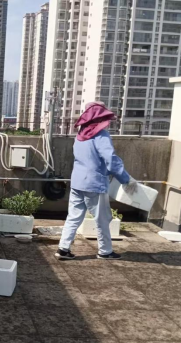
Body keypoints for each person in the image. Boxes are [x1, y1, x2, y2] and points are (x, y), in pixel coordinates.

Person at [57, 102, 138, 261]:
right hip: (94, 183)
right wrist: (126, 179)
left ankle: (63, 249)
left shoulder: (80, 135)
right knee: (102, 218)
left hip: (77, 181)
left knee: (73, 216)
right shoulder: (101, 135)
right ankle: (105, 251)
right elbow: (111, 160)